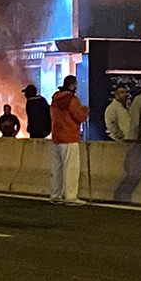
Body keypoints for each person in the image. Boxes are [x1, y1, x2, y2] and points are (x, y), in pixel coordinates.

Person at [50, 75, 90, 204]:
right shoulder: (72, 100)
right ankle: (70, 196)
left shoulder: (55, 99)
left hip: (57, 137)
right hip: (69, 136)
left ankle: (55, 194)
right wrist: (85, 111)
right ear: (73, 86)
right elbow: (79, 116)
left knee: (57, 168)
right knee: (71, 168)